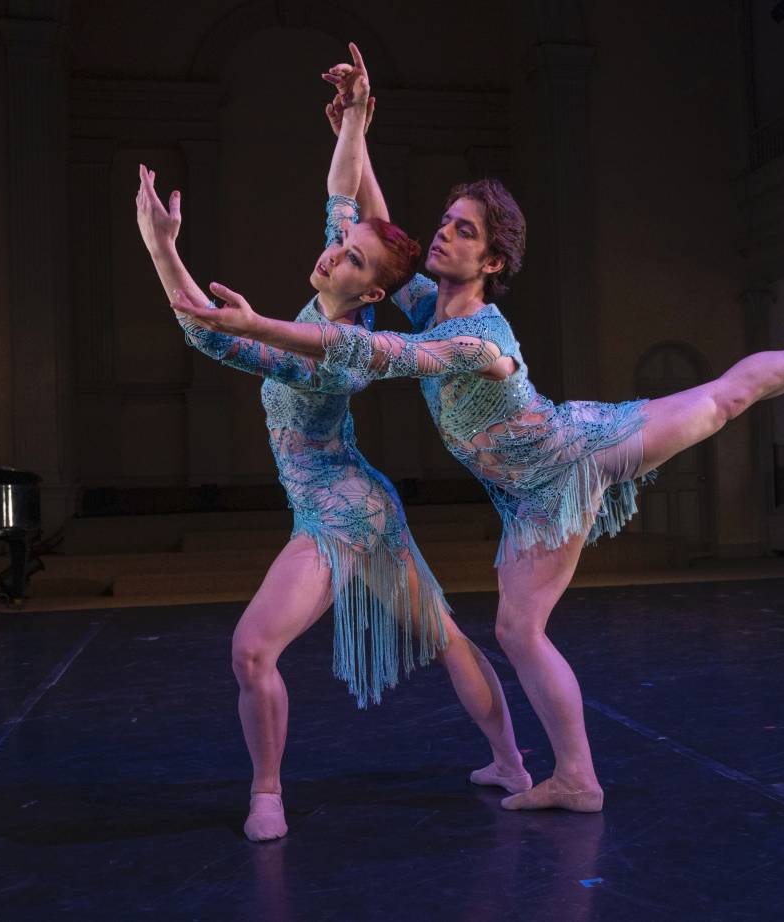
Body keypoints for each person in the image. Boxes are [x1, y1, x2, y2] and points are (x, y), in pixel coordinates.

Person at [171, 45, 784, 814]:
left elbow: (372, 347)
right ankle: (575, 779)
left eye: (462, 231)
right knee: (519, 633)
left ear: (492, 259)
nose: (444, 236)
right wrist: (358, 121)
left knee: (723, 399)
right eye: (447, 224)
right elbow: (379, 235)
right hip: (522, 502)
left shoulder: (479, 338)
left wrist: (256, 323)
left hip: (575, 453)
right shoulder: (429, 303)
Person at [135, 46, 529, 841]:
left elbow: (214, 334)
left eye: (350, 257)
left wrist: (159, 247)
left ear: (371, 290)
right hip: (358, 494)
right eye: (339, 244)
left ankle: (269, 795)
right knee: (446, 635)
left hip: (340, 513)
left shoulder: (335, 357)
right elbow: (341, 190)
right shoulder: (334, 288)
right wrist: (355, 116)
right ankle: (513, 765)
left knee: (254, 649)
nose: (334, 249)